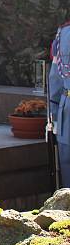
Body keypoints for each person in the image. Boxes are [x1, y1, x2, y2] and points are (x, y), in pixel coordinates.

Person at [49, 21, 70, 188]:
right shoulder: (63, 32)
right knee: (66, 162)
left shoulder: (64, 32)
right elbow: (55, 76)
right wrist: (54, 116)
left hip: (65, 105)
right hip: (66, 108)